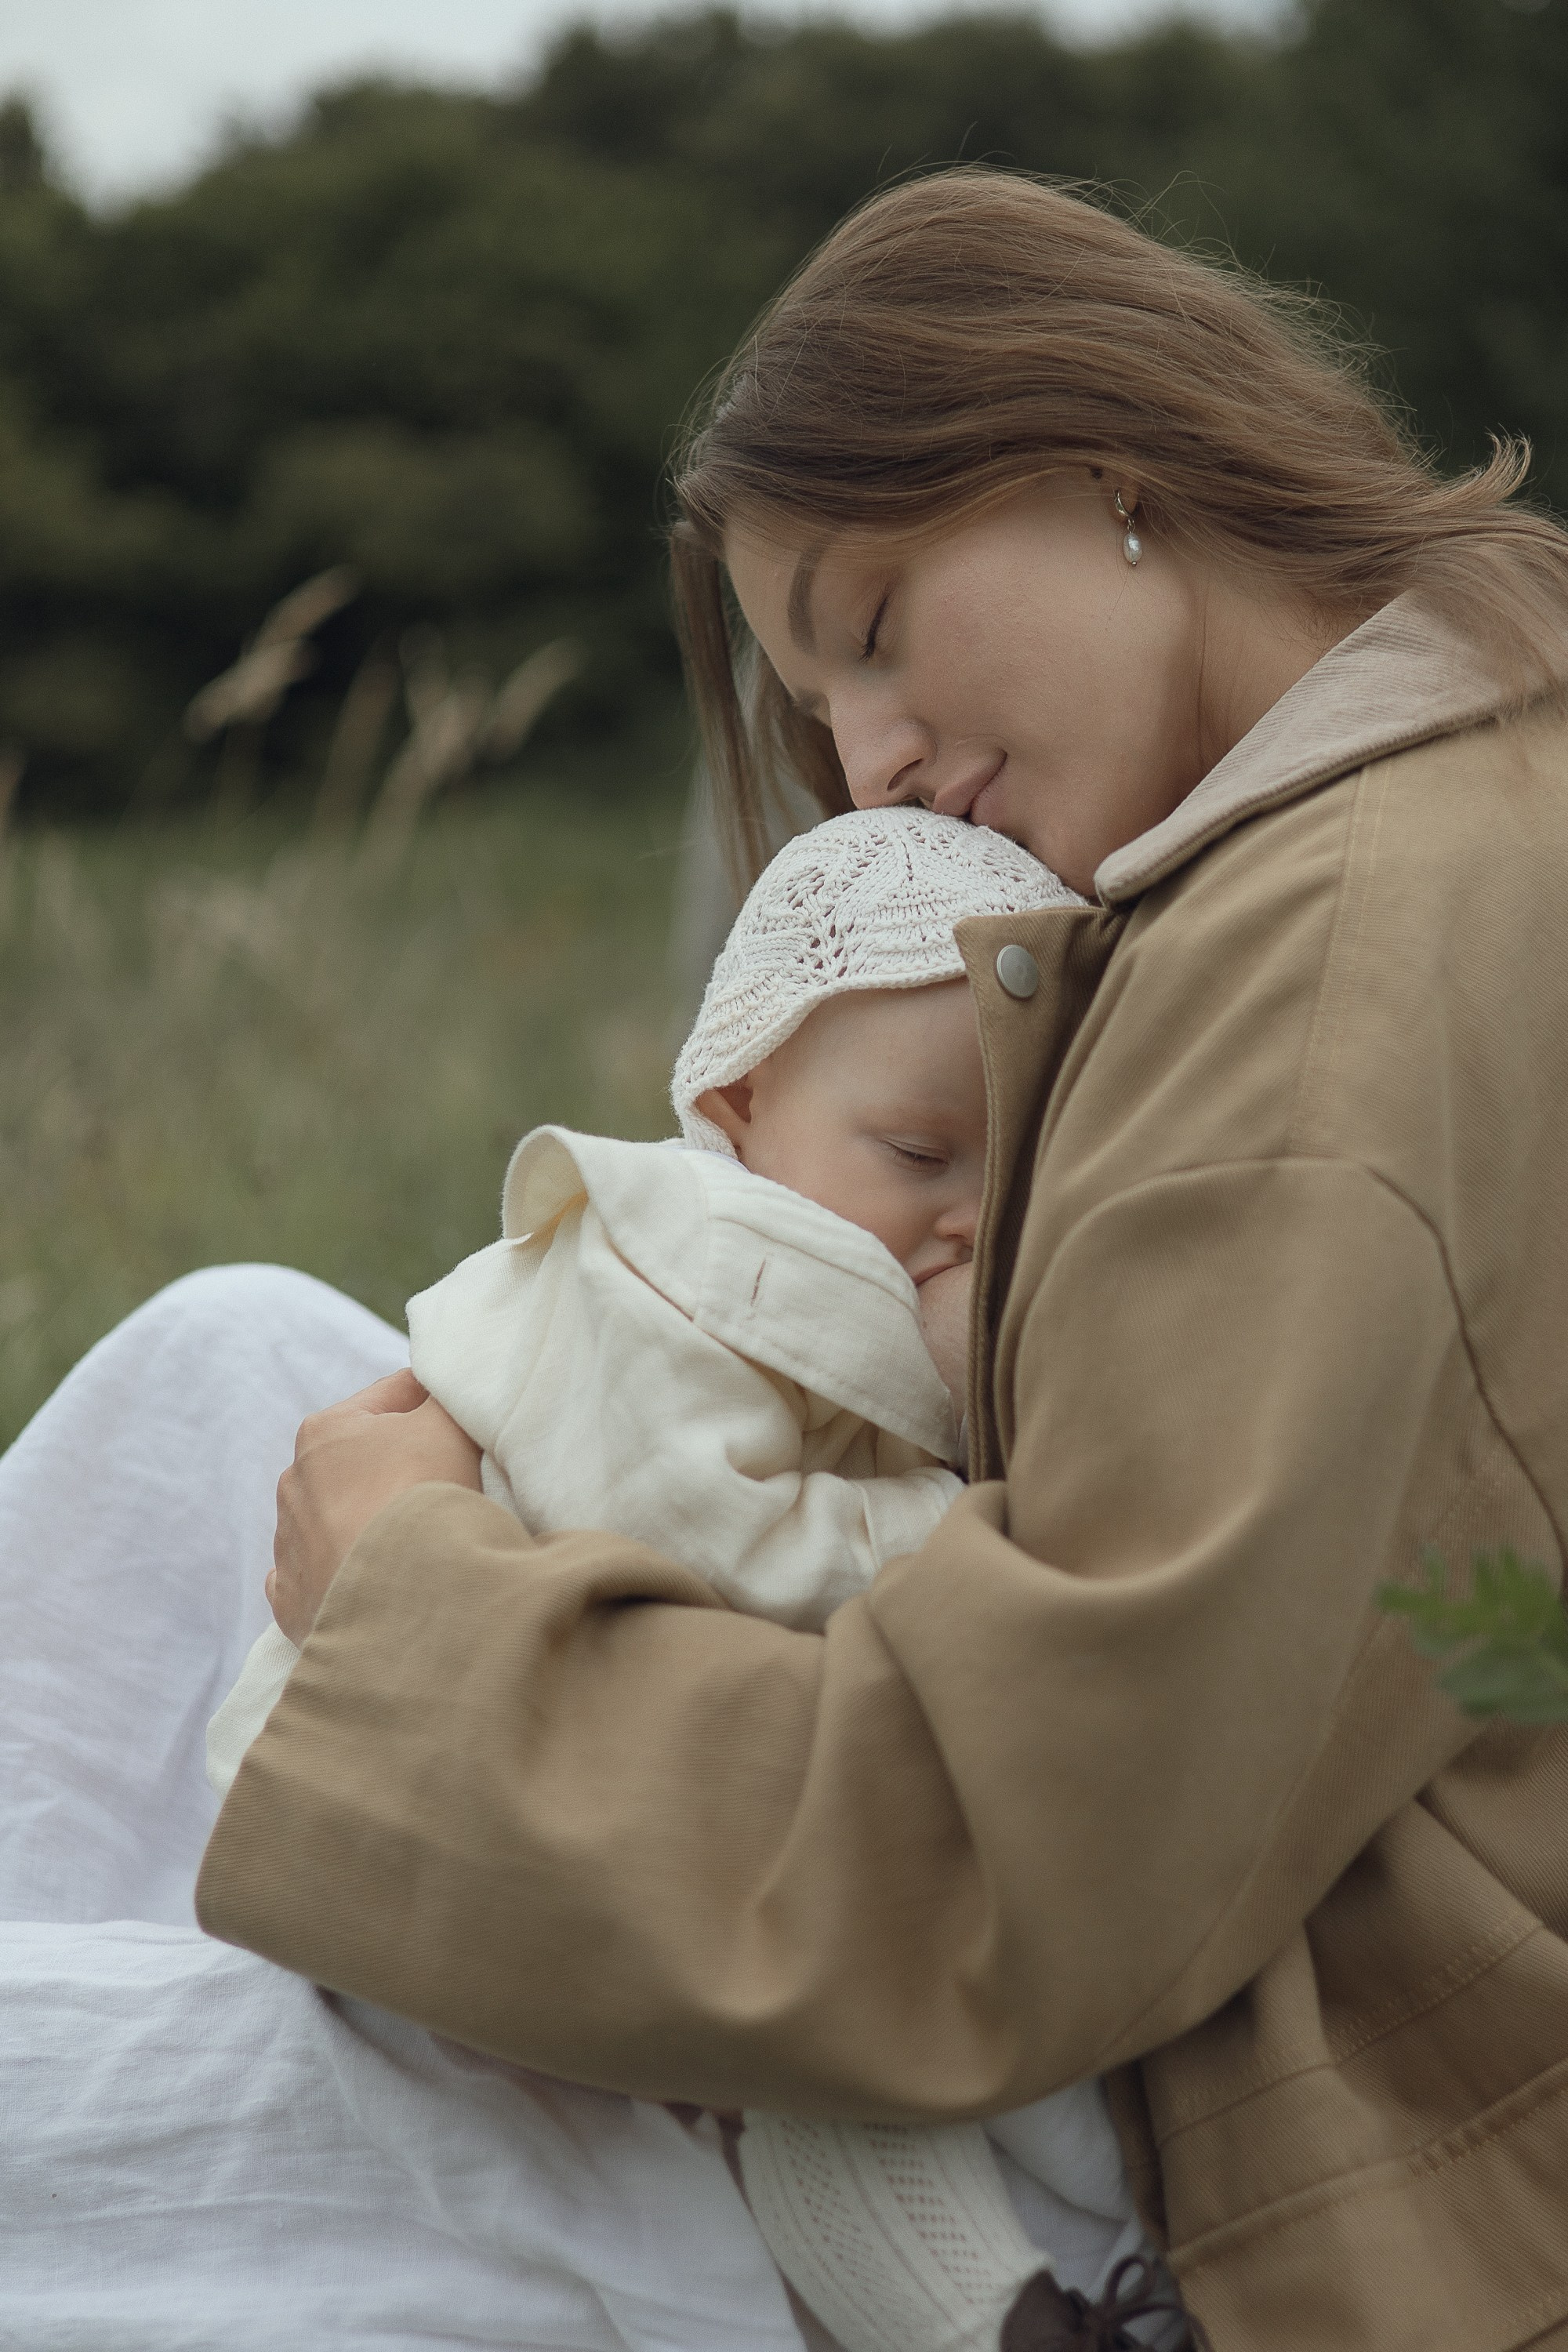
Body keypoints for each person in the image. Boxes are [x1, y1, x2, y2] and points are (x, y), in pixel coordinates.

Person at [5, 161, 1568, 2350]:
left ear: (1108, 460)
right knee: (225, 1352)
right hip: (1130, 1958)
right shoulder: (1409, 794)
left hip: (1221, 2178)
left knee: (65, 2103)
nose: (873, 762)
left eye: (870, 624)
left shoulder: (1335, 988)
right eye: (820, 701)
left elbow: (1009, 1870)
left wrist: (404, 1612)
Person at [206, 805, 1171, 2351]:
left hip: (583, 1782)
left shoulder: (850, 1249)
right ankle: (1070, 2276)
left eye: (1019, 1169)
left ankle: (1012, 2309)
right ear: (738, 1098)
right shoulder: (706, 1258)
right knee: (859, 2042)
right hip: (429, 1799)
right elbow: (695, 1531)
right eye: (920, 1151)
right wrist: (962, 1539)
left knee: (840, 2067)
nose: (972, 1216)